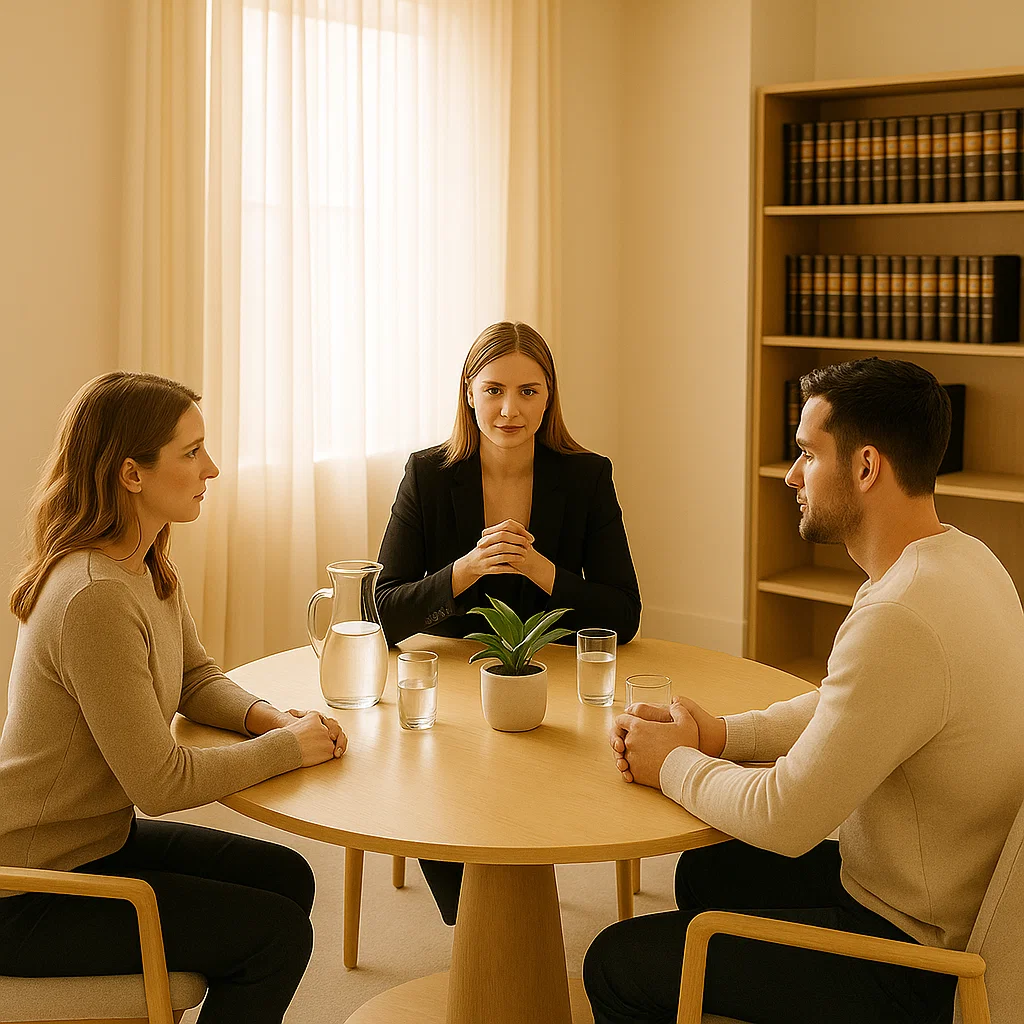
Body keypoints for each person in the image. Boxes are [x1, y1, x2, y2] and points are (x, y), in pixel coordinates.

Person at [585, 358, 1024, 1024]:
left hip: (914, 960)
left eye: (807, 454)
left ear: (866, 466)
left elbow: (785, 819)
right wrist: (720, 735)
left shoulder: (900, 615)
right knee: (708, 874)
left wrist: (671, 761)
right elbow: (850, 703)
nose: (792, 476)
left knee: (615, 962)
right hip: (930, 898)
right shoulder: (964, 560)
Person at [0, 372, 347, 1024]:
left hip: (97, 842)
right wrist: (284, 750)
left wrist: (266, 717)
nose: (210, 468)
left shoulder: (143, 561)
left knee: (287, 878)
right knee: (275, 934)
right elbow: (158, 782)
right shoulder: (94, 594)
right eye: (191, 452)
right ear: (132, 474)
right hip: (28, 888)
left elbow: (194, 678)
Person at [376, 320, 641, 923]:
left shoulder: (586, 475)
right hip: (455, 682)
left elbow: (624, 614)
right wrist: (464, 571)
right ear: (468, 393)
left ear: (549, 398)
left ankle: (504, 912)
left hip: (552, 678)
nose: (509, 410)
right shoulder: (428, 473)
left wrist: (545, 572)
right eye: (493, 390)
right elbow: (384, 610)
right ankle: (483, 919)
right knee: (441, 768)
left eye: (528, 391)